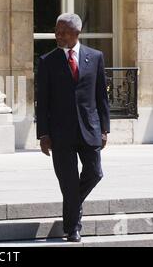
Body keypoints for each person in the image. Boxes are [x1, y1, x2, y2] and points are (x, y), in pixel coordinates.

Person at [36, 13, 110, 242]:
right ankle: (73, 228)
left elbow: (101, 98)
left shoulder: (95, 57)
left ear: (76, 34)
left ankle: (71, 206)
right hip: (60, 134)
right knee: (68, 182)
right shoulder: (48, 61)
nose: (58, 35)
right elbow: (43, 101)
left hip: (90, 129)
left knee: (95, 173)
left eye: (64, 32)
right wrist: (43, 134)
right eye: (57, 31)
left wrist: (104, 129)